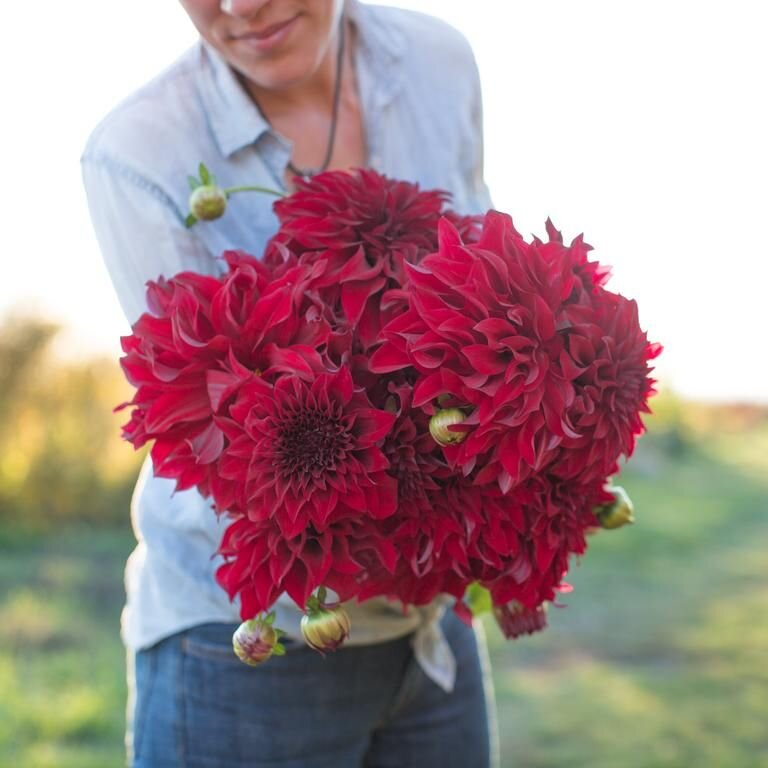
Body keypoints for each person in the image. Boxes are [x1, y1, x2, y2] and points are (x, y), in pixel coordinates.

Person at [81, 1, 497, 766]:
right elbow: (197, 427)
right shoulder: (137, 154)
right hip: (246, 645)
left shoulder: (440, 63)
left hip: (431, 631)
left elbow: (489, 279)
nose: (240, 7)